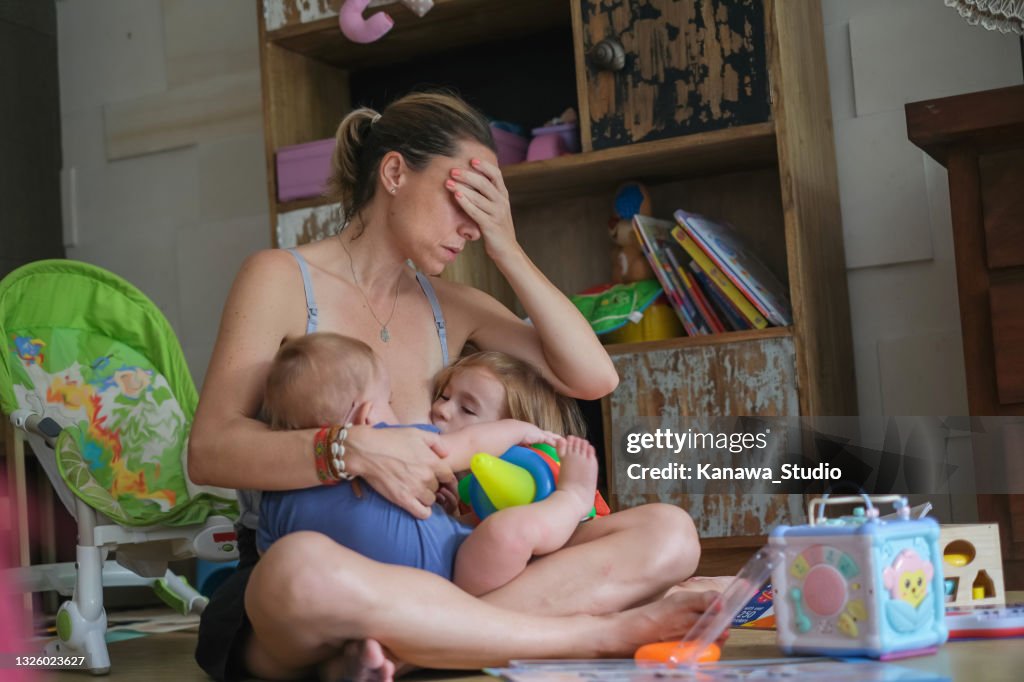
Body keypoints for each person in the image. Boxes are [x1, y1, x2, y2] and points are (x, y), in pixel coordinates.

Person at [189, 91, 706, 681]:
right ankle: (591, 633)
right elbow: (210, 451)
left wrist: (507, 245)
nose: (471, 228)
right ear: (394, 173)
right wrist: (348, 448)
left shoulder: (452, 306)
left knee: (669, 534)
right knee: (299, 571)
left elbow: (594, 377)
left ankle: (405, 654)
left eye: (486, 209)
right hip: (326, 582)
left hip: (446, 563)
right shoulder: (280, 279)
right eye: (463, 199)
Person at [257, 333, 602, 597]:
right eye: (388, 402)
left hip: (354, 600)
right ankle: (573, 497)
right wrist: (521, 431)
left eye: (466, 409)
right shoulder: (397, 445)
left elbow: (269, 551)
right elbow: (468, 445)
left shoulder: (277, 491)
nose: (439, 410)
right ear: (366, 416)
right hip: (444, 588)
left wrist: (441, 510)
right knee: (508, 535)